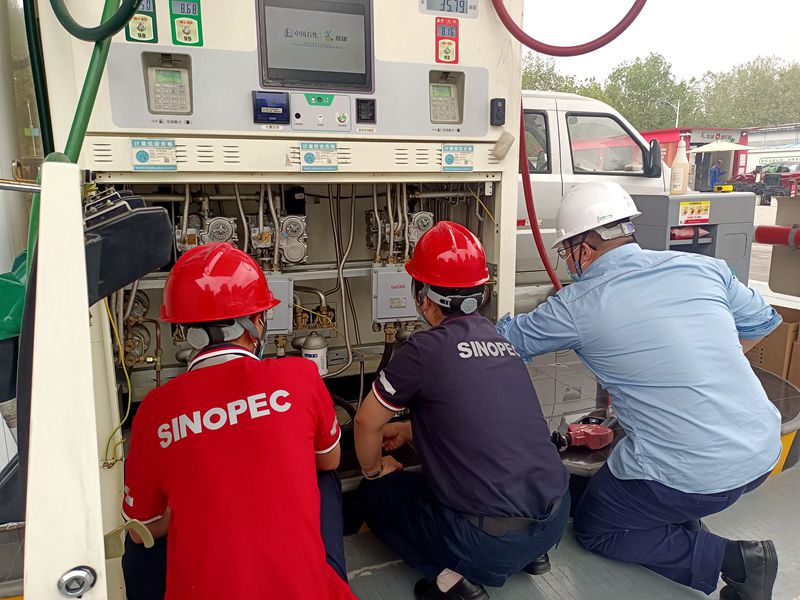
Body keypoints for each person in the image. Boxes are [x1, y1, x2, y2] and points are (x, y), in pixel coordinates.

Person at [498, 181, 782, 600]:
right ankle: (682, 516)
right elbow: (763, 322)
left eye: (565, 251)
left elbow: (503, 344)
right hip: (761, 449)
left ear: (582, 248)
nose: (568, 262)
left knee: (598, 526)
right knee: (632, 486)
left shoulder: (577, 304)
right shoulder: (703, 267)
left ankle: (737, 560)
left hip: (697, 471)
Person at [121, 242, 355, 600]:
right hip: (306, 592)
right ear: (257, 322)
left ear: (182, 329)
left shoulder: (154, 410)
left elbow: (143, 531)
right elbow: (330, 460)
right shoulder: (300, 375)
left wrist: (192, 505)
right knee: (322, 473)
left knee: (134, 540)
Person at [354, 221, 570, 600]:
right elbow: (486, 421)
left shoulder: (422, 351)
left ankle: (451, 581)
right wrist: (407, 430)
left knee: (376, 495)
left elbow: (364, 422)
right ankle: (531, 555)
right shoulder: (500, 339)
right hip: (554, 519)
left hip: (489, 540)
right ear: (481, 292)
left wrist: (374, 470)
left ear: (423, 296)